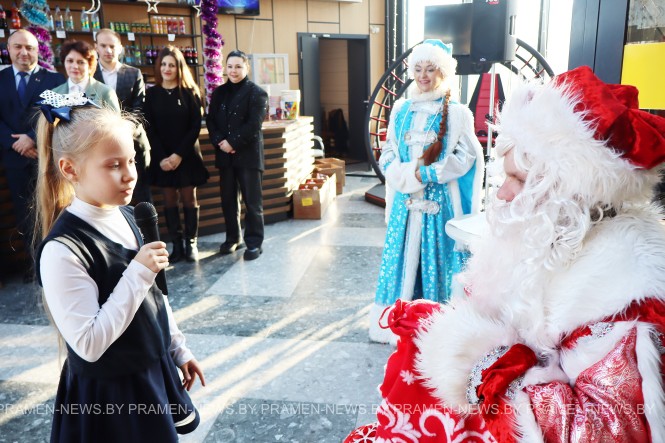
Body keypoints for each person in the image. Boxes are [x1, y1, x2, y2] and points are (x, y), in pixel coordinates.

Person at [345, 66, 665, 442]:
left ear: (571, 192)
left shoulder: (628, 295)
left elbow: (601, 430)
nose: (502, 193)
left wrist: (483, 362)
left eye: (520, 180)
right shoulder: (555, 238)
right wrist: (448, 324)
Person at [33, 97, 205, 442]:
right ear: (70, 169)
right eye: (113, 165)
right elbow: (89, 344)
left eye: (132, 160)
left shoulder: (128, 216)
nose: (130, 175)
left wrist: (177, 348)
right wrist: (138, 272)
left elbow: (155, 297)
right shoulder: (62, 250)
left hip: (149, 366)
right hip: (112, 393)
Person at [369, 39, 484, 343]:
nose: (423, 75)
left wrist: (427, 173)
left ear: (442, 72)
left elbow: (467, 157)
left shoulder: (457, 113)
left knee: (436, 262)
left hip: (438, 205)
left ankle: (436, 329)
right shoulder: (400, 110)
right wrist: (397, 173)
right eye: (418, 69)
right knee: (401, 260)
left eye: (430, 69)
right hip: (405, 205)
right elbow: (389, 149)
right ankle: (393, 324)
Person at [0, 29, 65, 283]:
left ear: (38, 50)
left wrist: (31, 137)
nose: (24, 52)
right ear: (9, 49)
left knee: (54, 209)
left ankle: (59, 265)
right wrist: (14, 143)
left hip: (46, 156)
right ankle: (36, 266)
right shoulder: (1, 79)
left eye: (29, 47)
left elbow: (58, 113)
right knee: (24, 215)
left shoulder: (53, 80)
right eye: (18, 47)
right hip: (14, 160)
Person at [144, 46, 208, 262]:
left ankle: (191, 243)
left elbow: (195, 127)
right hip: (162, 158)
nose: (167, 68)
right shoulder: (151, 94)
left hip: (187, 156)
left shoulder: (190, 93)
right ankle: (177, 244)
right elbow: (149, 128)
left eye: (171, 64)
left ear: (179, 67)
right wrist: (163, 157)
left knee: (189, 199)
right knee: (169, 200)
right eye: (163, 64)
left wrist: (178, 155)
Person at [206, 49, 269, 261]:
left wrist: (232, 143)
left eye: (238, 66)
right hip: (225, 156)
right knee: (228, 200)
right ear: (225, 67)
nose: (233, 71)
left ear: (247, 67)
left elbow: (254, 125)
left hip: (248, 156)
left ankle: (254, 243)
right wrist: (220, 142)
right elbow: (211, 121)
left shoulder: (257, 93)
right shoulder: (219, 92)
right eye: (230, 66)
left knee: (252, 203)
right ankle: (233, 238)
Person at [94, 28, 153, 205]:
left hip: (133, 143)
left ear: (120, 48)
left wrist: (122, 131)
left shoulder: (133, 73)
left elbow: (139, 108)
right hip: (101, 146)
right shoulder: (90, 75)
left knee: (141, 197)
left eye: (112, 46)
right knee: (108, 198)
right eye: (103, 45)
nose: (108, 50)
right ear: (96, 47)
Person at [52, 40, 120, 112]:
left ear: (90, 65)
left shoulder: (106, 92)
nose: (75, 66)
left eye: (81, 62)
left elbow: (115, 119)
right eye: (70, 61)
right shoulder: (55, 93)